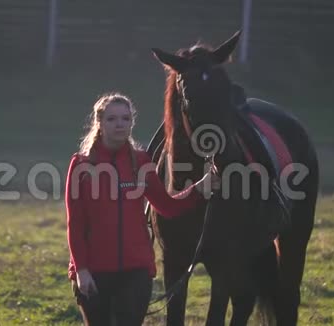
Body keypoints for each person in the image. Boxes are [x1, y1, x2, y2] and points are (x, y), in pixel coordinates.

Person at [65, 92, 221, 326]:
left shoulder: (141, 162)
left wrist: (199, 189)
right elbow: (75, 223)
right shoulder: (82, 165)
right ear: (99, 123)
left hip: (136, 270)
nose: (120, 124)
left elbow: (167, 207)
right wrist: (82, 270)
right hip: (94, 271)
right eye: (112, 119)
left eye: (125, 119)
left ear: (132, 123)